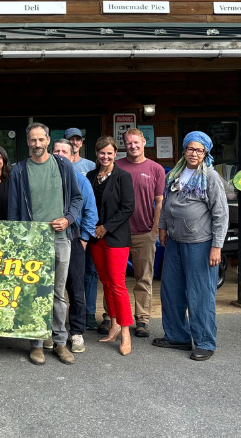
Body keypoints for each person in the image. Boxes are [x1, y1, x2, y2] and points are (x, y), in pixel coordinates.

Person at [8, 123, 83, 366]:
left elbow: (76, 198)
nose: (37, 144)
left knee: (58, 294)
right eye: (33, 140)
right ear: (27, 142)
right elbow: (13, 211)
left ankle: (60, 342)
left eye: (41, 139)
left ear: (48, 140)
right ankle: (36, 343)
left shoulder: (63, 165)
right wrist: (19, 241)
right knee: (34, 293)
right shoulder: (19, 170)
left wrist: (68, 218)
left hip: (61, 240)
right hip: (32, 242)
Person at [152, 132, 228, 362]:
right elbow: (166, 204)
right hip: (174, 242)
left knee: (201, 294)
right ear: (184, 150)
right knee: (171, 290)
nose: (194, 154)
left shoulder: (211, 177)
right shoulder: (175, 173)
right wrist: (162, 228)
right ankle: (177, 336)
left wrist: (217, 246)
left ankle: (205, 341)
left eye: (199, 150)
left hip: (200, 244)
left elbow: (220, 215)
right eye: (191, 149)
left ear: (205, 153)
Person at [114, 128, 166, 338]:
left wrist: (155, 228)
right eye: (128, 143)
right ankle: (113, 316)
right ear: (124, 145)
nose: (132, 146)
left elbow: (159, 202)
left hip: (144, 232)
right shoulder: (116, 166)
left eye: (136, 142)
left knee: (143, 278)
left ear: (144, 142)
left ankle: (142, 320)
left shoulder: (156, 169)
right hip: (117, 232)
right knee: (115, 279)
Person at [87, 137, 135, 356]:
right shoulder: (90, 176)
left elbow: (127, 208)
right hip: (96, 238)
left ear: (116, 153)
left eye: (109, 153)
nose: (105, 157)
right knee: (105, 282)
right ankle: (114, 323)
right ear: (96, 154)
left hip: (115, 237)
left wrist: (105, 227)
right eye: (101, 153)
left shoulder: (123, 177)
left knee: (117, 284)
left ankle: (125, 332)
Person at [50, 139, 98, 354]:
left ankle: (76, 332)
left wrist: (85, 238)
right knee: (50, 287)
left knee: (75, 287)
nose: (60, 155)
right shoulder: (47, 178)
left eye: (64, 152)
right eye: (56, 151)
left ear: (72, 157)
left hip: (73, 238)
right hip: (48, 239)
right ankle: (49, 330)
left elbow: (90, 211)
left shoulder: (81, 180)